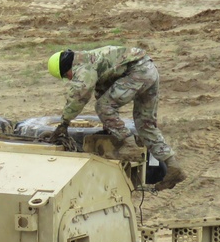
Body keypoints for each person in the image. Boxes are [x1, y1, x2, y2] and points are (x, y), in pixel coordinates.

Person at [47, 46, 185, 191]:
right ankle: (173, 166)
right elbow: (104, 93)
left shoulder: (83, 67)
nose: (69, 78)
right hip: (149, 70)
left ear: (65, 69)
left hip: (137, 71)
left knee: (102, 107)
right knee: (145, 125)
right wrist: (109, 129)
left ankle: (130, 146)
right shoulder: (95, 62)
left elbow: (79, 95)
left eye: (66, 76)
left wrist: (64, 122)